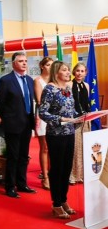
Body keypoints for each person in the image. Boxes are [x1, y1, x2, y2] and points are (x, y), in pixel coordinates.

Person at [39, 61, 77, 219]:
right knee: (57, 169)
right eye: (65, 70)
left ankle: (63, 200)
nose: (69, 73)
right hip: (56, 134)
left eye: (69, 70)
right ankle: (56, 204)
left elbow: (71, 109)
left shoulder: (68, 88)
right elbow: (42, 112)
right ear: (56, 72)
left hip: (70, 132)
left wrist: (80, 116)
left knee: (67, 168)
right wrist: (60, 119)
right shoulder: (49, 89)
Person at [0, 51, 36, 198]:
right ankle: (10, 187)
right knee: (13, 156)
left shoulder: (30, 80)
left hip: (27, 123)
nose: (24, 63)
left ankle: (22, 184)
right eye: (21, 61)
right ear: (14, 64)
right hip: (13, 124)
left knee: (24, 156)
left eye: (25, 61)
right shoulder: (6, 80)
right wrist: (8, 118)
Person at [69, 62, 91, 185]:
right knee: (75, 148)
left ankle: (81, 174)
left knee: (84, 147)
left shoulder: (86, 85)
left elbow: (86, 103)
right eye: (78, 71)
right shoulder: (68, 84)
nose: (79, 73)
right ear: (74, 72)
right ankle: (72, 175)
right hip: (73, 121)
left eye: (82, 71)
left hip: (85, 120)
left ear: (85, 73)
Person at [34, 57, 53, 190]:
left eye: (52, 65)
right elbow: (40, 100)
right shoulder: (38, 80)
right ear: (42, 66)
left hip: (55, 116)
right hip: (43, 116)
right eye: (47, 65)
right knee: (45, 147)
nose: (50, 67)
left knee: (54, 147)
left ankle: (53, 174)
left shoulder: (54, 80)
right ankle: (45, 177)